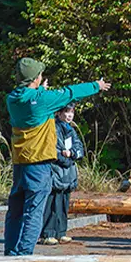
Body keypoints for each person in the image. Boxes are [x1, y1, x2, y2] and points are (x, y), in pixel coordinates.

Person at [4, 58, 109, 257]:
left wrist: (40, 90)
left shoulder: (12, 99)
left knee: (15, 212)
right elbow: (71, 92)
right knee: (34, 212)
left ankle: (10, 253)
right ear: (36, 79)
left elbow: (32, 98)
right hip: (39, 164)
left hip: (20, 163)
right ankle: (24, 255)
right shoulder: (42, 100)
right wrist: (97, 85)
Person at [40, 103, 85, 245]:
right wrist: (66, 157)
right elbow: (53, 150)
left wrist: (71, 154)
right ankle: (48, 234)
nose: (69, 115)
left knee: (63, 205)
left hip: (68, 174)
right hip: (55, 172)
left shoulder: (71, 130)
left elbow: (80, 149)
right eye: (66, 112)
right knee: (51, 204)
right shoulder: (53, 128)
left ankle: (61, 233)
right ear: (59, 113)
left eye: (72, 112)